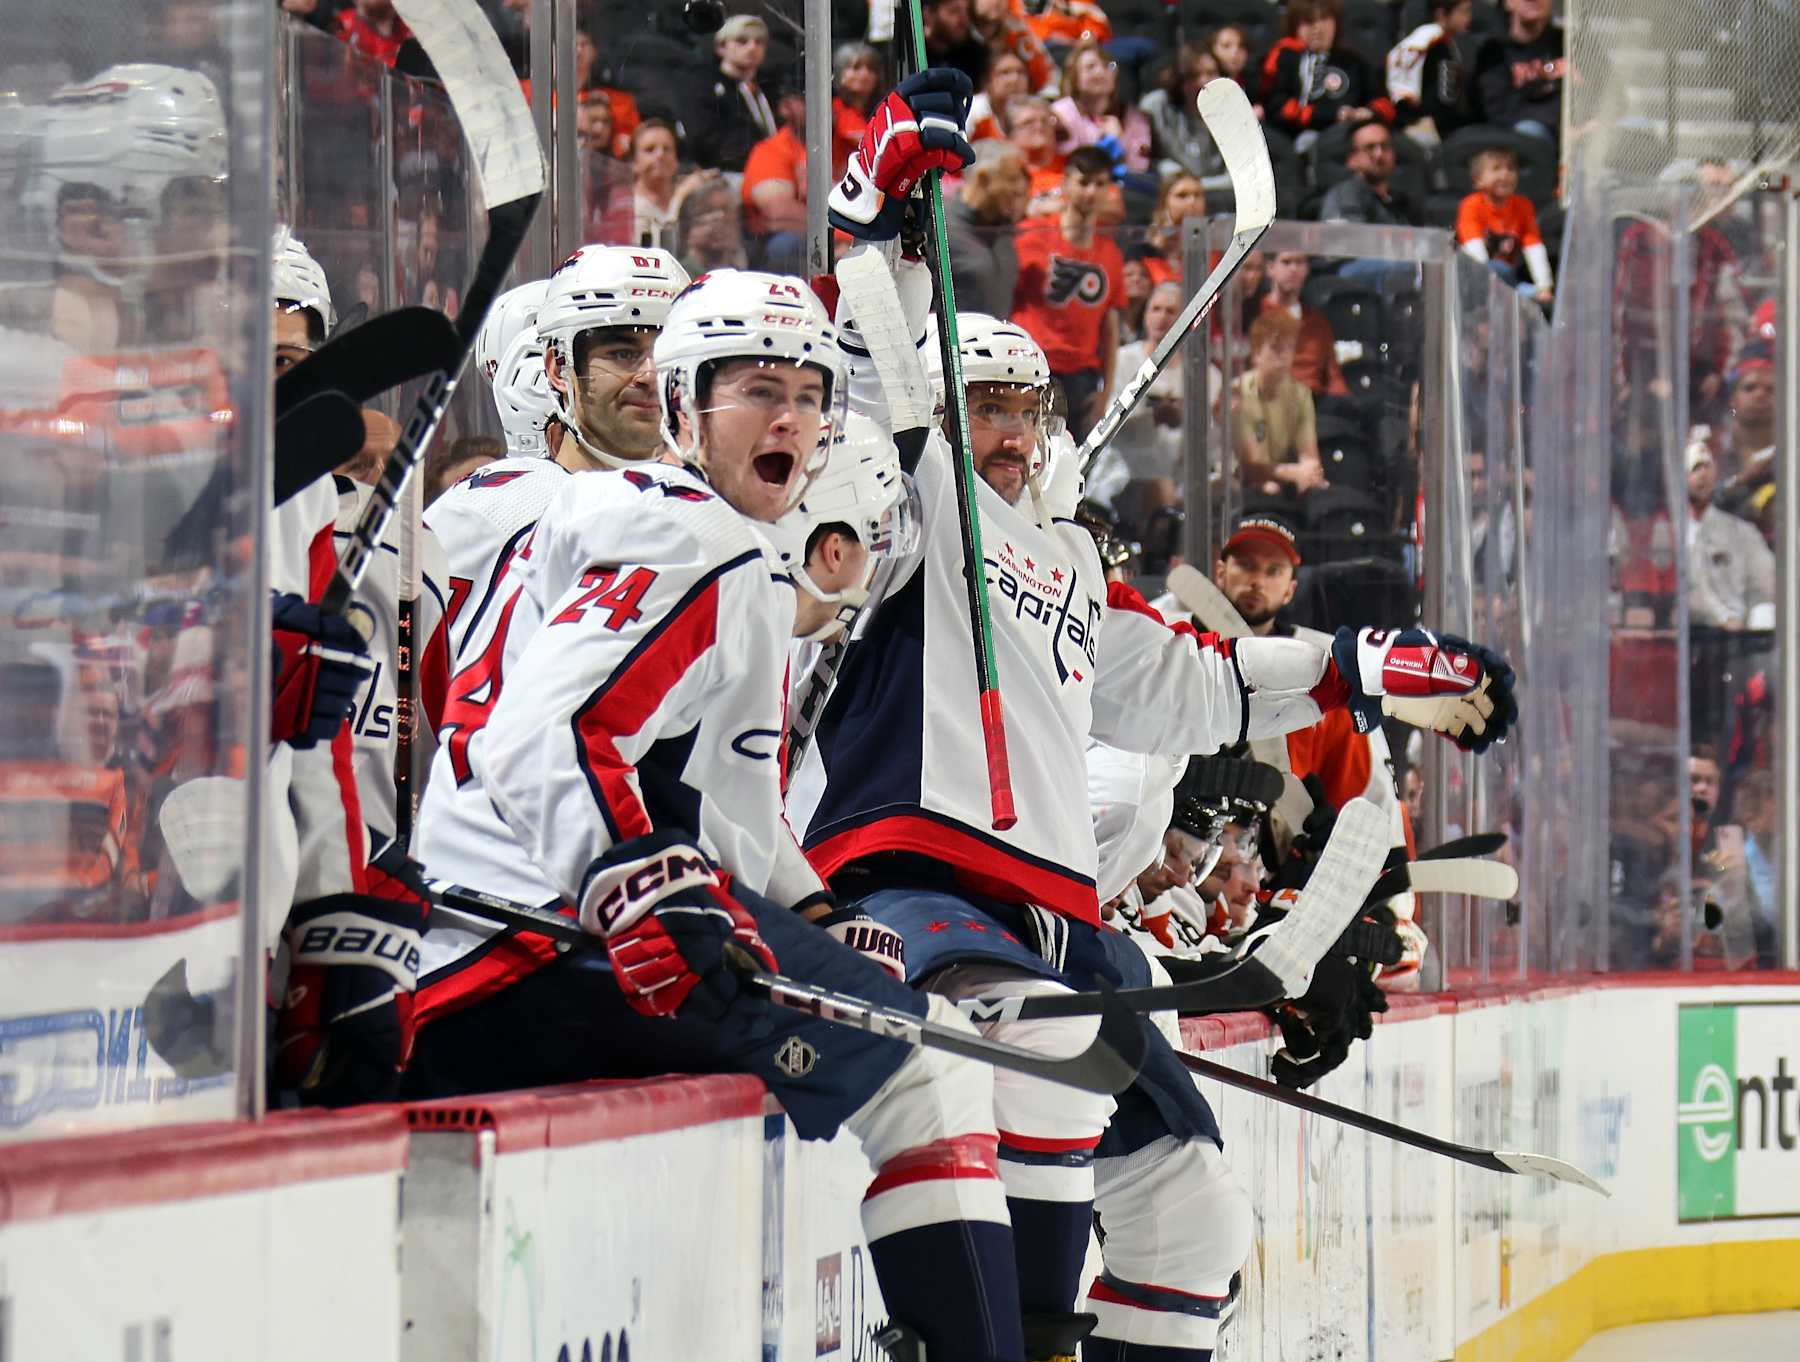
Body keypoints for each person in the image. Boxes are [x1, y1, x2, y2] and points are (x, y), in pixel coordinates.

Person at [794, 221, 1516, 1362]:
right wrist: (878, 227)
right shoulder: (910, 506)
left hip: (1057, 920)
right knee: (1045, 1048)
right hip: (910, 884)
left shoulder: (1069, 562)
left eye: (1029, 410)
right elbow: (866, 362)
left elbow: (1198, 680)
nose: (1017, 437)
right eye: (986, 405)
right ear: (930, 415)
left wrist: (1360, 666)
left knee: (1193, 1218)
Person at [409, 262, 1029, 1362]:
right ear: (685, 406)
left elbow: (727, 814)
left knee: (901, 1047)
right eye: (753, 386)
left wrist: (820, 915)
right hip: (524, 942)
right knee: (929, 1071)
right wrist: (636, 883)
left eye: (805, 391)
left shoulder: (699, 536)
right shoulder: (695, 536)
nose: (785, 413)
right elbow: (538, 738)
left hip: (505, 939)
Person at [424, 247, 690, 668]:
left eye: (667, 351)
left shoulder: (700, 511)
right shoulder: (497, 513)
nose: (649, 374)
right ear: (558, 368)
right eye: (622, 353)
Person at [1011, 145, 1127, 443]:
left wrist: (1106, 392)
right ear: (1065, 184)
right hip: (1032, 364)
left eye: (1099, 184)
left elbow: (1110, 329)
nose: (1090, 192)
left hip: (1082, 378)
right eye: (1083, 182)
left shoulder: (1111, 254)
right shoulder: (1030, 235)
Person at [1087, 279, 1217, 528]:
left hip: (1181, 481)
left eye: (1170, 311)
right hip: (1122, 476)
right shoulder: (1123, 361)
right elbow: (1107, 426)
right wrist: (1154, 418)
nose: (1161, 317)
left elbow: (1210, 443)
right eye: (1155, 309)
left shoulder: (1205, 374)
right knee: (1160, 489)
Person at [1261, 0, 1395, 152]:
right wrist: (1331, 116)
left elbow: (1384, 103)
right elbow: (1278, 106)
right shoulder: (1286, 58)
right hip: (1305, 134)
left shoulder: (1354, 60)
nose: (1317, 28)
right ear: (1295, 27)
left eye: (1324, 19)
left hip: (1355, 132)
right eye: (1309, 21)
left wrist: (1368, 113)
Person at [1231, 310, 1325, 501]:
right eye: (1276, 349)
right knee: (1268, 489)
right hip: (1238, 480)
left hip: (1281, 477)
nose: (1284, 357)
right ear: (1256, 353)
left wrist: (1308, 474)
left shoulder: (1301, 394)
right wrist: (1294, 473)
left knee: (1316, 491)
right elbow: (1251, 465)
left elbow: (1309, 456)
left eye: (1289, 348)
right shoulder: (1237, 392)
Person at [1683, 441, 1775, 633]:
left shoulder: (1741, 532)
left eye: (1707, 467)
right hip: (1692, 634)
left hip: (1736, 640)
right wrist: (1724, 618)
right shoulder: (1671, 531)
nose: (1703, 475)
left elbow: (1768, 584)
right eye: (1695, 468)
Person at [1455, 147, 1553, 306]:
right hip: (1475, 278)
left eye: (1511, 168)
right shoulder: (1471, 205)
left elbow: (1533, 246)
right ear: (1478, 180)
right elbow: (1474, 249)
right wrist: (1488, 284)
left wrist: (1544, 286)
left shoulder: (1523, 206)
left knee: (1540, 298)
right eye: (1496, 168)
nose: (1505, 174)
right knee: (1498, 268)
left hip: (1508, 281)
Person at [947, 140, 1030, 318]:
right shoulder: (941, 227)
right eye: (1011, 179)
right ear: (983, 178)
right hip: (955, 341)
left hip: (1001, 340)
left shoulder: (1007, 230)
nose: (1019, 188)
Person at [687, 13, 779, 173]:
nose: (752, 47)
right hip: (729, 173)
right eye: (742, 41)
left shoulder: (772, 88)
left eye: (759, 42)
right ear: (720, 47)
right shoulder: (704, 90)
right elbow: (707, 141)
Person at [1051, 40, 1152, 178]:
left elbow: (1139, 167)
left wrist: (1119, 141)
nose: (1099, 73)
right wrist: (1110, 141)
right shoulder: (1062, 112)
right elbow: (1072, 166)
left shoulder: (1135, 117)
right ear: (1074, 79)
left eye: (1107, 66)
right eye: (1090, 67)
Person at [1139, 44, 1229, 190]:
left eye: (1211, 73)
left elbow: (1238, 175)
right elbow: (1145, 160)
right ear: (1180, 80)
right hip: (1169, 190)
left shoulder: (1232, 110)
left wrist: (1197, 186)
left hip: (1220, 194)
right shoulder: (1156, 106)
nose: (1203, 82)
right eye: (1195, 75)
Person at [1472, 0, 1564, 144]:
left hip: (1579, 132)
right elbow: (1501, 113)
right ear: (1508, 3)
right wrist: (1558, 126)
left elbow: (1603, 93)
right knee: (1528, 132)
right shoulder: (1494, 52)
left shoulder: (1569, 44)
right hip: (1524, 138)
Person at [742, 84, 810, 274]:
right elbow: (778, 212)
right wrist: (839, 235)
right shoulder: (770, 150)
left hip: (848, 237)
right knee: (783, 245)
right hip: (797, 243)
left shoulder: (846, 140)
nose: (823, 103)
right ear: (785, 107)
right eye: (804, 99)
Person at [1261, 249, 1347, 396]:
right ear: (1270, 268)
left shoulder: (1317, 322)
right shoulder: (1257, 314)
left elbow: (1334, 377)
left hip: (1314, 401)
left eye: (1299, 263)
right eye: (1286, 262)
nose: (1293, 269)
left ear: (1307, 269)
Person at [1386, 0, 1474, 143]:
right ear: (1441, 14)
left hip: (1432, 124)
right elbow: (1445, 100)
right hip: (1422, 126)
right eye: (1463, 11)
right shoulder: (1432, 43)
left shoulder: (1437, 40)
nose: (1468, 18)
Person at [631, 120, 715, 253]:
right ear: (634, 162)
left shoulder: (693, 195)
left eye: (667, 149)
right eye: (650, 149)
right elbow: (661, 252)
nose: (660, 155)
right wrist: (680, 197)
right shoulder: (626, 207)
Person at [1320, 122, 1421, 227]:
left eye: (1385, 146)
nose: (1379, 154)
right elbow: (1348, 239)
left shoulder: (1402, 202)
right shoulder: (1345, 196)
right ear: (1351, 159)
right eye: (1370, 147)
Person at [1004, 95, 1069, 214]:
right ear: (1010, 135)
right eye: (1028, 122)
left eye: (1045, 121)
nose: (1039, 127)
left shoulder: (1073, 166)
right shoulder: (1005, 176)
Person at [674, 177, 749, 275]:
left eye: (727, 210)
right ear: (686, 229)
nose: (719, 218)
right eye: (708, 211)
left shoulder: (748, 280)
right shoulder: (678, 279)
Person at [1143, 171, 1207, 284]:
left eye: (1197, 195)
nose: (1192, 201)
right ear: (1164, 202)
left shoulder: (1215, 246)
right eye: (1182, 195)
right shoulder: (1146, 249)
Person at [832, 42, 885, 177]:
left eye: (871, 69)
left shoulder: (882, 109)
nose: (865, 74)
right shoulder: (835, 109)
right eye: (856, 68)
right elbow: (862, 141)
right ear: (839, 74)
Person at [968, 48, 1032, 143]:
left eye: (1020, 72)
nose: (1014, 79)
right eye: (1005, 72)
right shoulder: (972, 110)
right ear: (988, 80)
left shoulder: (1033, 111)